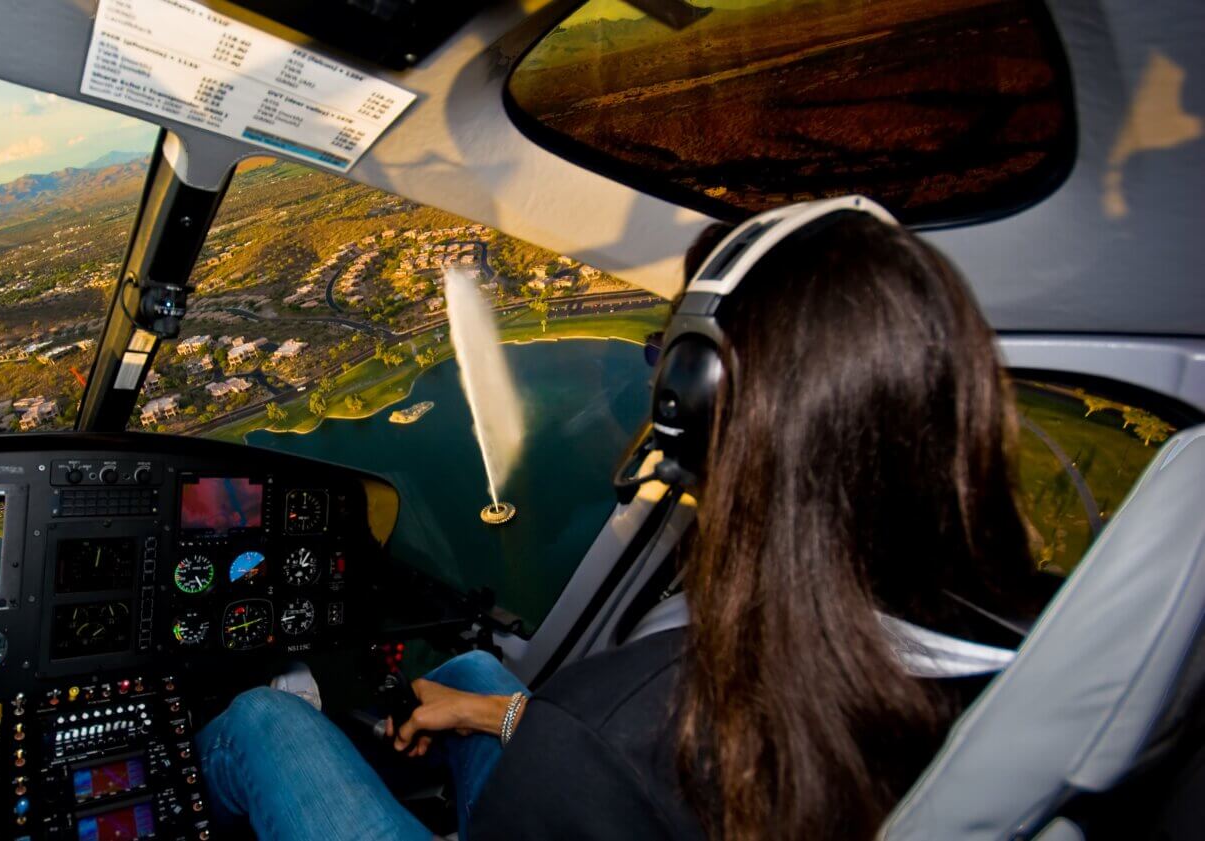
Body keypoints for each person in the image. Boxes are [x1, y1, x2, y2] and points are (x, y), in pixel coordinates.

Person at [197, 205, 1055, 841]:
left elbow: (617, 755)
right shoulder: (1025, 649)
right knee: (469, 667)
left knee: (264, 723)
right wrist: (489, 716)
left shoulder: (626, 713)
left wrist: (549, 744)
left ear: (698, 405)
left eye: (663, 362)